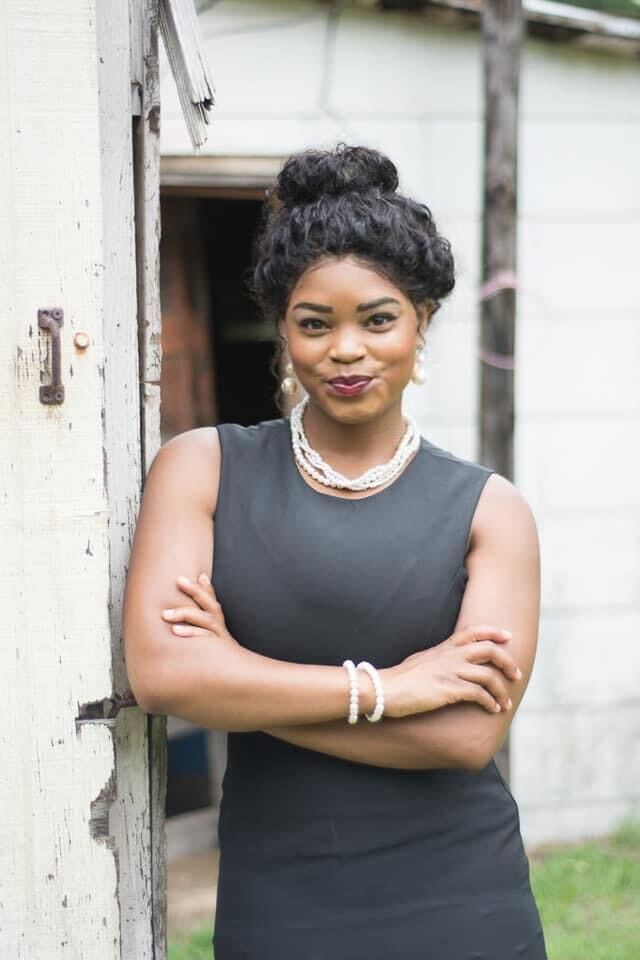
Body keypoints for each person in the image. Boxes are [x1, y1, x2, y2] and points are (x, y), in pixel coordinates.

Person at [123, 143, 548, 959]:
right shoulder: (203, 469)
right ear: (283, 330)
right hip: (282, 901)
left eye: (378, 319)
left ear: (420, 321)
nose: (345, 350)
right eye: (314, 323)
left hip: (464, 900)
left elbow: (464, 737)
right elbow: (163, 675)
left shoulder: (490, 511)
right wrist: (390, 687)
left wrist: (236, 678)